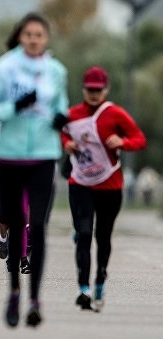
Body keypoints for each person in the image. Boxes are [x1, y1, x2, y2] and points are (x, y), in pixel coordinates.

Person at [0, 12, 69, 328]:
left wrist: (60, 119)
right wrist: (14, 108)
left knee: (38, 227)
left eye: (39, 35)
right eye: (28, 34)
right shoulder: (2, 69)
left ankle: (35, 299)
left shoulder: (56, 70)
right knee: (16, 226)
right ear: (19, 36)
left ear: (46, 39)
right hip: (11, 157)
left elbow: (62, 106)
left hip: (44, 155)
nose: (33, 40)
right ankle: (14, 291)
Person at [61, 66, 146, 312]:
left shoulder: (116, 114)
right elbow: (63, 135)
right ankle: (83, 289)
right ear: (83, 89)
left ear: (106, 89)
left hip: (110, 184)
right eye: (90, 90)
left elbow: (139, 139)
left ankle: (99, 280)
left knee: (103, 236)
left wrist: (123, 142)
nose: (94, 94)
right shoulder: (73, 114)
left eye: (98, 90)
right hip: (81, 183)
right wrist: (67, 145)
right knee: (85, 234)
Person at [0, 123, 31, 275]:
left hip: (23, 173)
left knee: (21, 218)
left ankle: (23, 260)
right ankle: (3, 239)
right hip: (3, 173)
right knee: (3, 217)